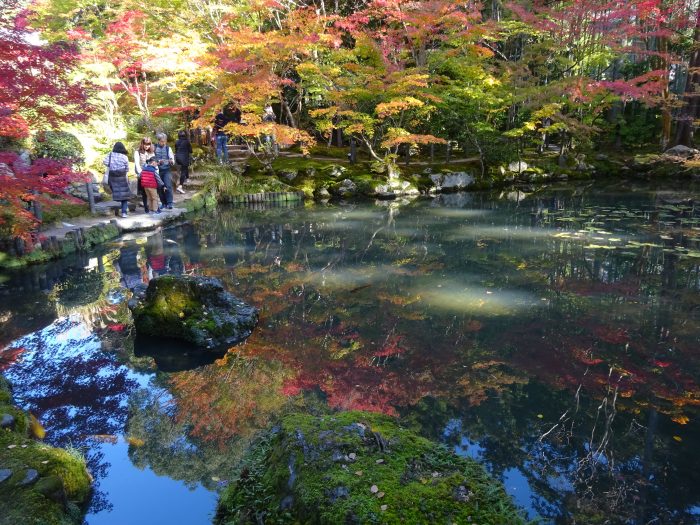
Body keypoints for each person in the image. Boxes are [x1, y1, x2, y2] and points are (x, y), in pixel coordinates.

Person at [103, 142, 132, 218]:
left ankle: (117, 201)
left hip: (112, 176)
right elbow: (127, 168)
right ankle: (124, 212)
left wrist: (112, 165)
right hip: (122, 175)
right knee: (124, 195)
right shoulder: (124, 157)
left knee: (116, 191)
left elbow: (105, 162)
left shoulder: (110, 154)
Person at [154, 133, 175, 209]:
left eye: (165, 141)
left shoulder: (168, 148)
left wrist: (171, 161)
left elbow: (172, 158)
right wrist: (158, 162)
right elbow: (152, 158)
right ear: (158, 141)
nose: (163, 143)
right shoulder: (154, 147)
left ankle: (169, 203)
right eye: (162, 141)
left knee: (168, 185)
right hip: (157, 170)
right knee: (160, 187)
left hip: (166, 170)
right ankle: (163, 203)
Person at [134, 137, 154, 212]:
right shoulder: (137, 152)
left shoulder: (151, 152)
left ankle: (152, 206)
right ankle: (146, 206)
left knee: (152, 191)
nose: (147, 146)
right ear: (142, 144)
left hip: (151, 174)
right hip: (143, 175)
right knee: (144, 192)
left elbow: (154, 163)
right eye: (145, 144)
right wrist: (141, 173)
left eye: (148, 144)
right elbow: (137, 164)